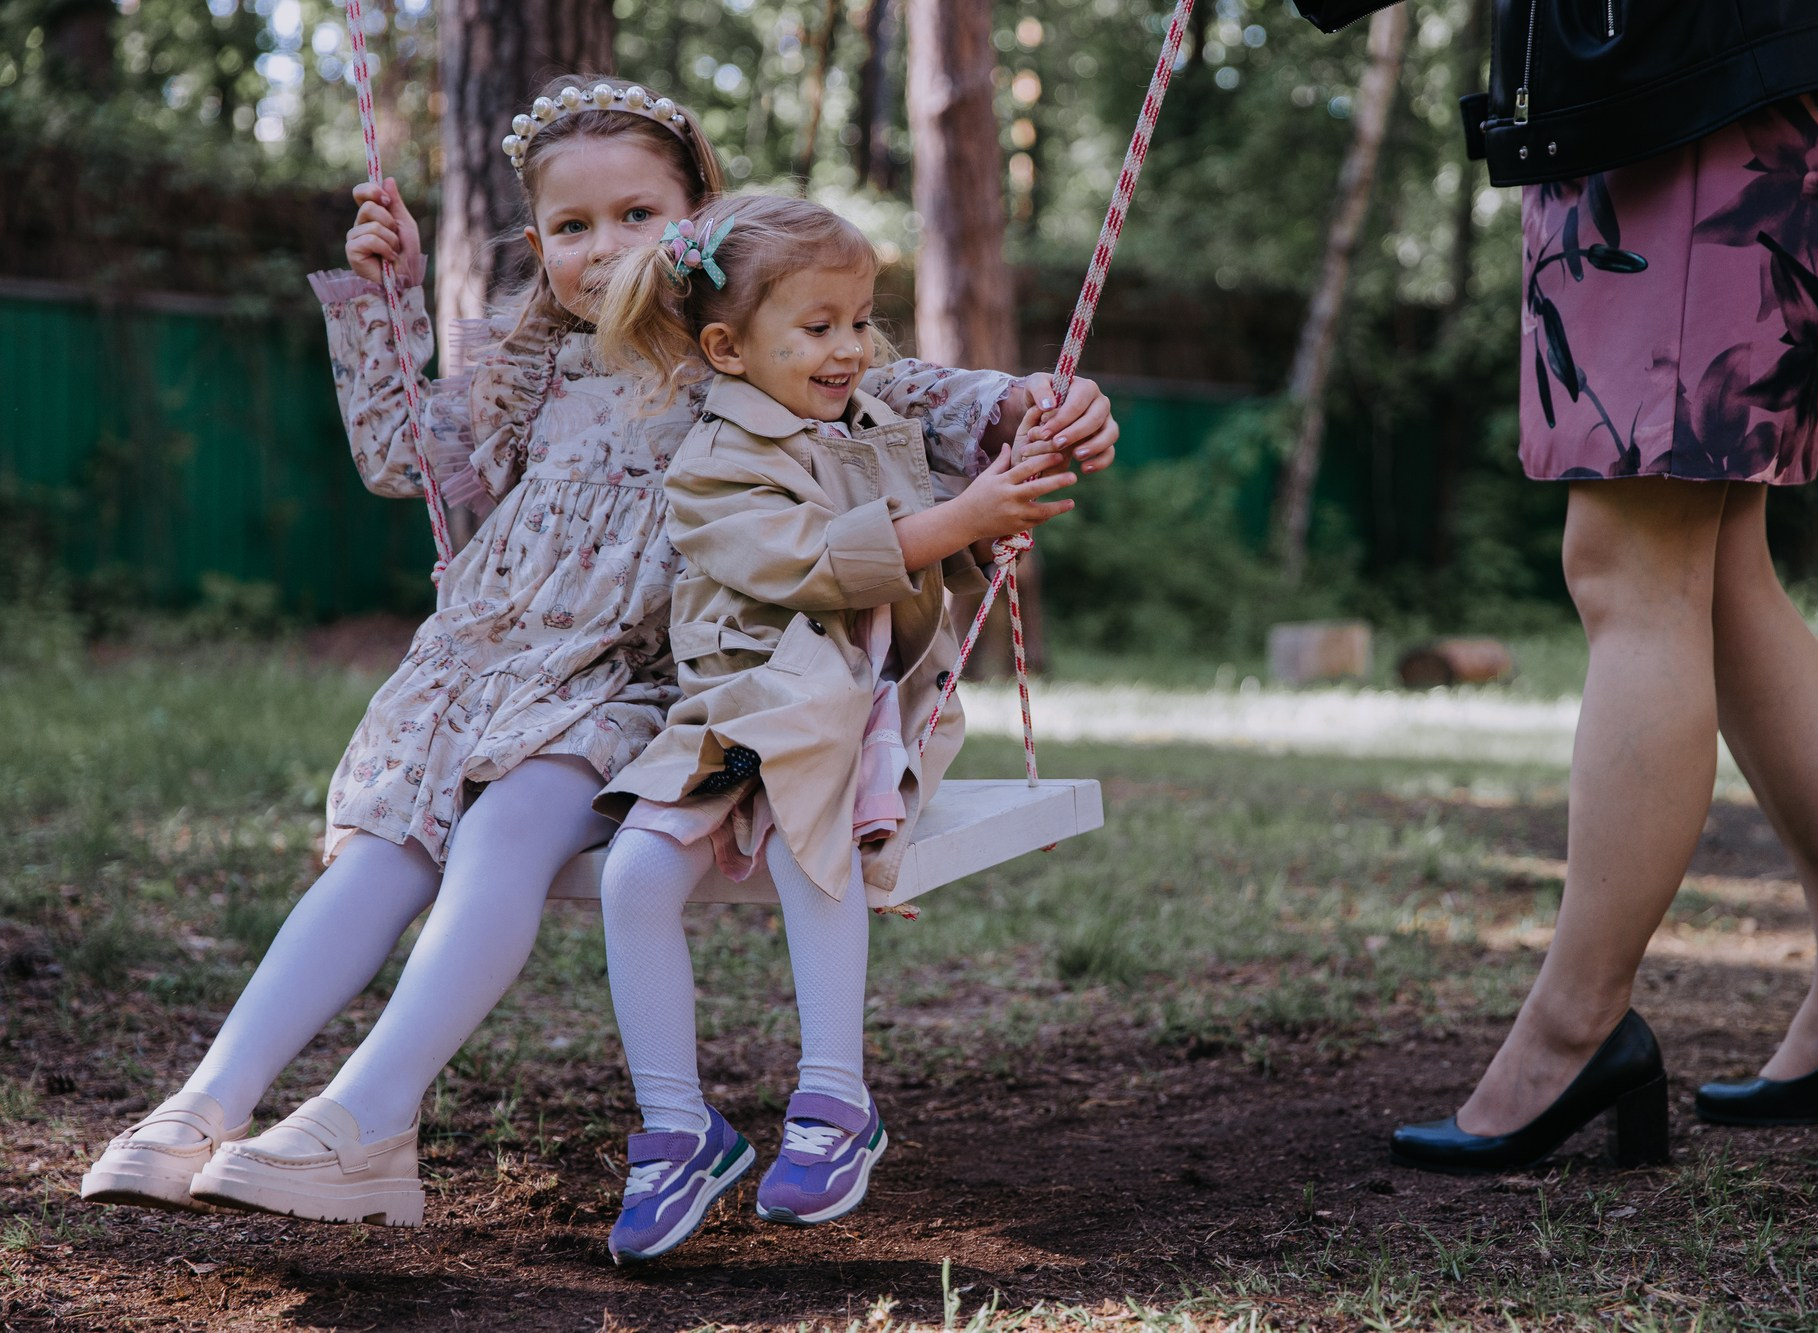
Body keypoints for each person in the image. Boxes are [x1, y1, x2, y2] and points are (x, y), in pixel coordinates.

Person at [79, 75, 1119, 1226]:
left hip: (647, 686)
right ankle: (206, 1100)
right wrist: (388, 297)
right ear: (538, 245)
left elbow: (916, 388)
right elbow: (394, 456)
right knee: (381, 847)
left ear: (702, 223)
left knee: (503, 828)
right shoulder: (531, 373)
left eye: (638, 215)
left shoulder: (751, 350)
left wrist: (1031, 400)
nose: (605, 246)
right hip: (482, 676)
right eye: (572, 227)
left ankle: (366, 1114)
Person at [1292, 0, 1818, 1171]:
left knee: (1628, 567)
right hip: (1738, 89)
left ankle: (1572, 1030)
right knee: (1716, 572)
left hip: (1689, 105)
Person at [572, 194, 1077, 1265]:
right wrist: (963, 516)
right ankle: (676, 1127)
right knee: (631, 877)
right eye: (818, 326)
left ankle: (834, 1098)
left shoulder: (878, 427)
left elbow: (928, 565)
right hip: (735, 714)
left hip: (861, 716)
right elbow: (808, 561)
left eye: (860, 319)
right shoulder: (709, 460)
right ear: (727, 346)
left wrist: (1003, 498)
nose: (851, 347)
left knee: (819, 828)